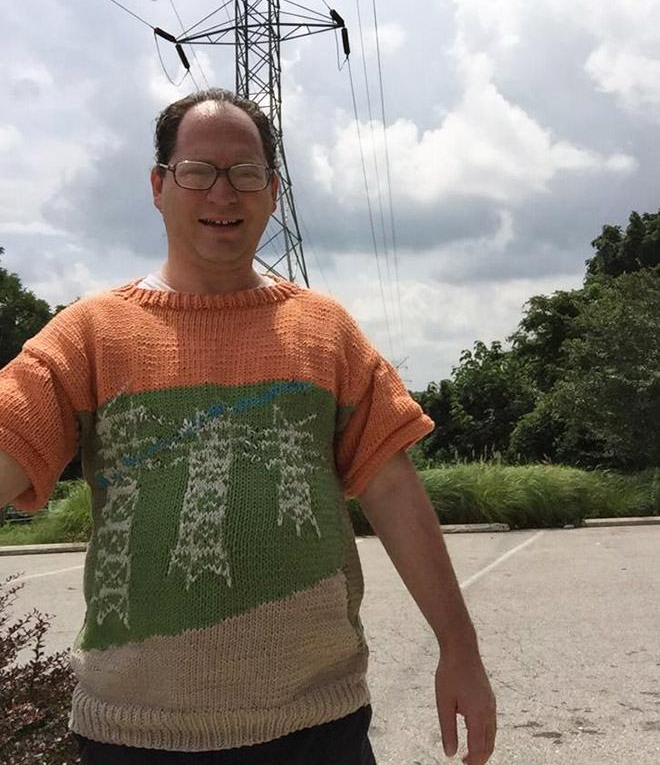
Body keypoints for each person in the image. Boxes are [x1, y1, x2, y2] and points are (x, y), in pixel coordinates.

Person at [0, 88, 496, 765]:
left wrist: (458, 646)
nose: (223, 192)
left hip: (317, 722)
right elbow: (10, 444)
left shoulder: (324, 329)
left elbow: (393, 489)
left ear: (273, 190)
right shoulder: (91, 333)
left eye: (247, 172)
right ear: (159, 185)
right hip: (135, 731)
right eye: (198, 170)